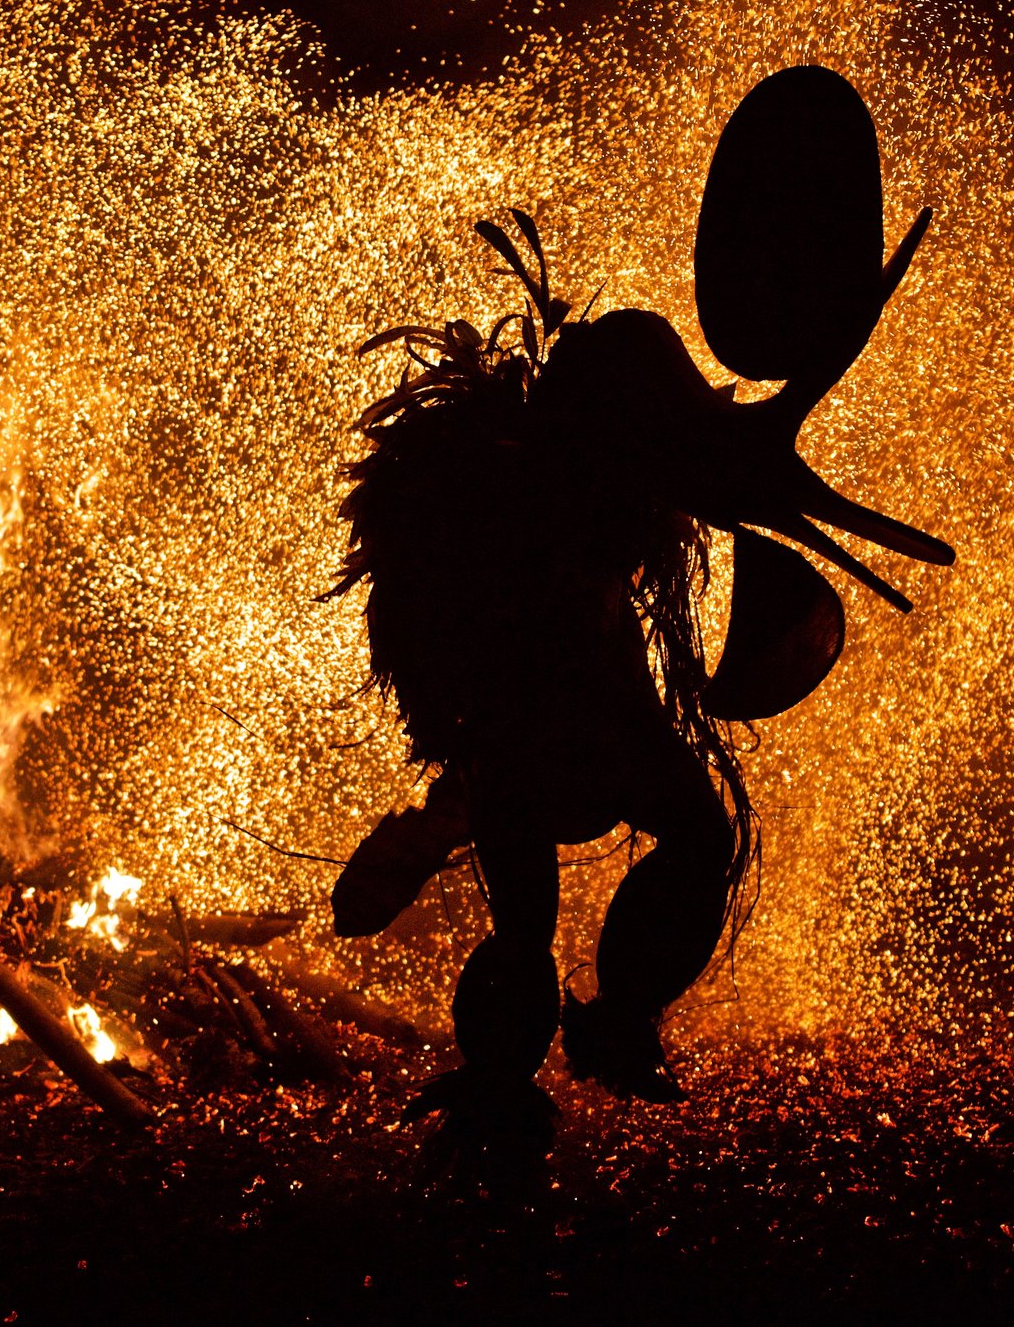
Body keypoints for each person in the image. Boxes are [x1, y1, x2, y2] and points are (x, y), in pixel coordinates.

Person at [326, 67, 955, 1177]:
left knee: (546, 901)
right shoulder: (578, 454)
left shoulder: (597, 450)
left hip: (538, 718)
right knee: (679, 843)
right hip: (553, 713)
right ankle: (567, 1035)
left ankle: (530, 1047)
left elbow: (693, 463)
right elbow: (683, 460)